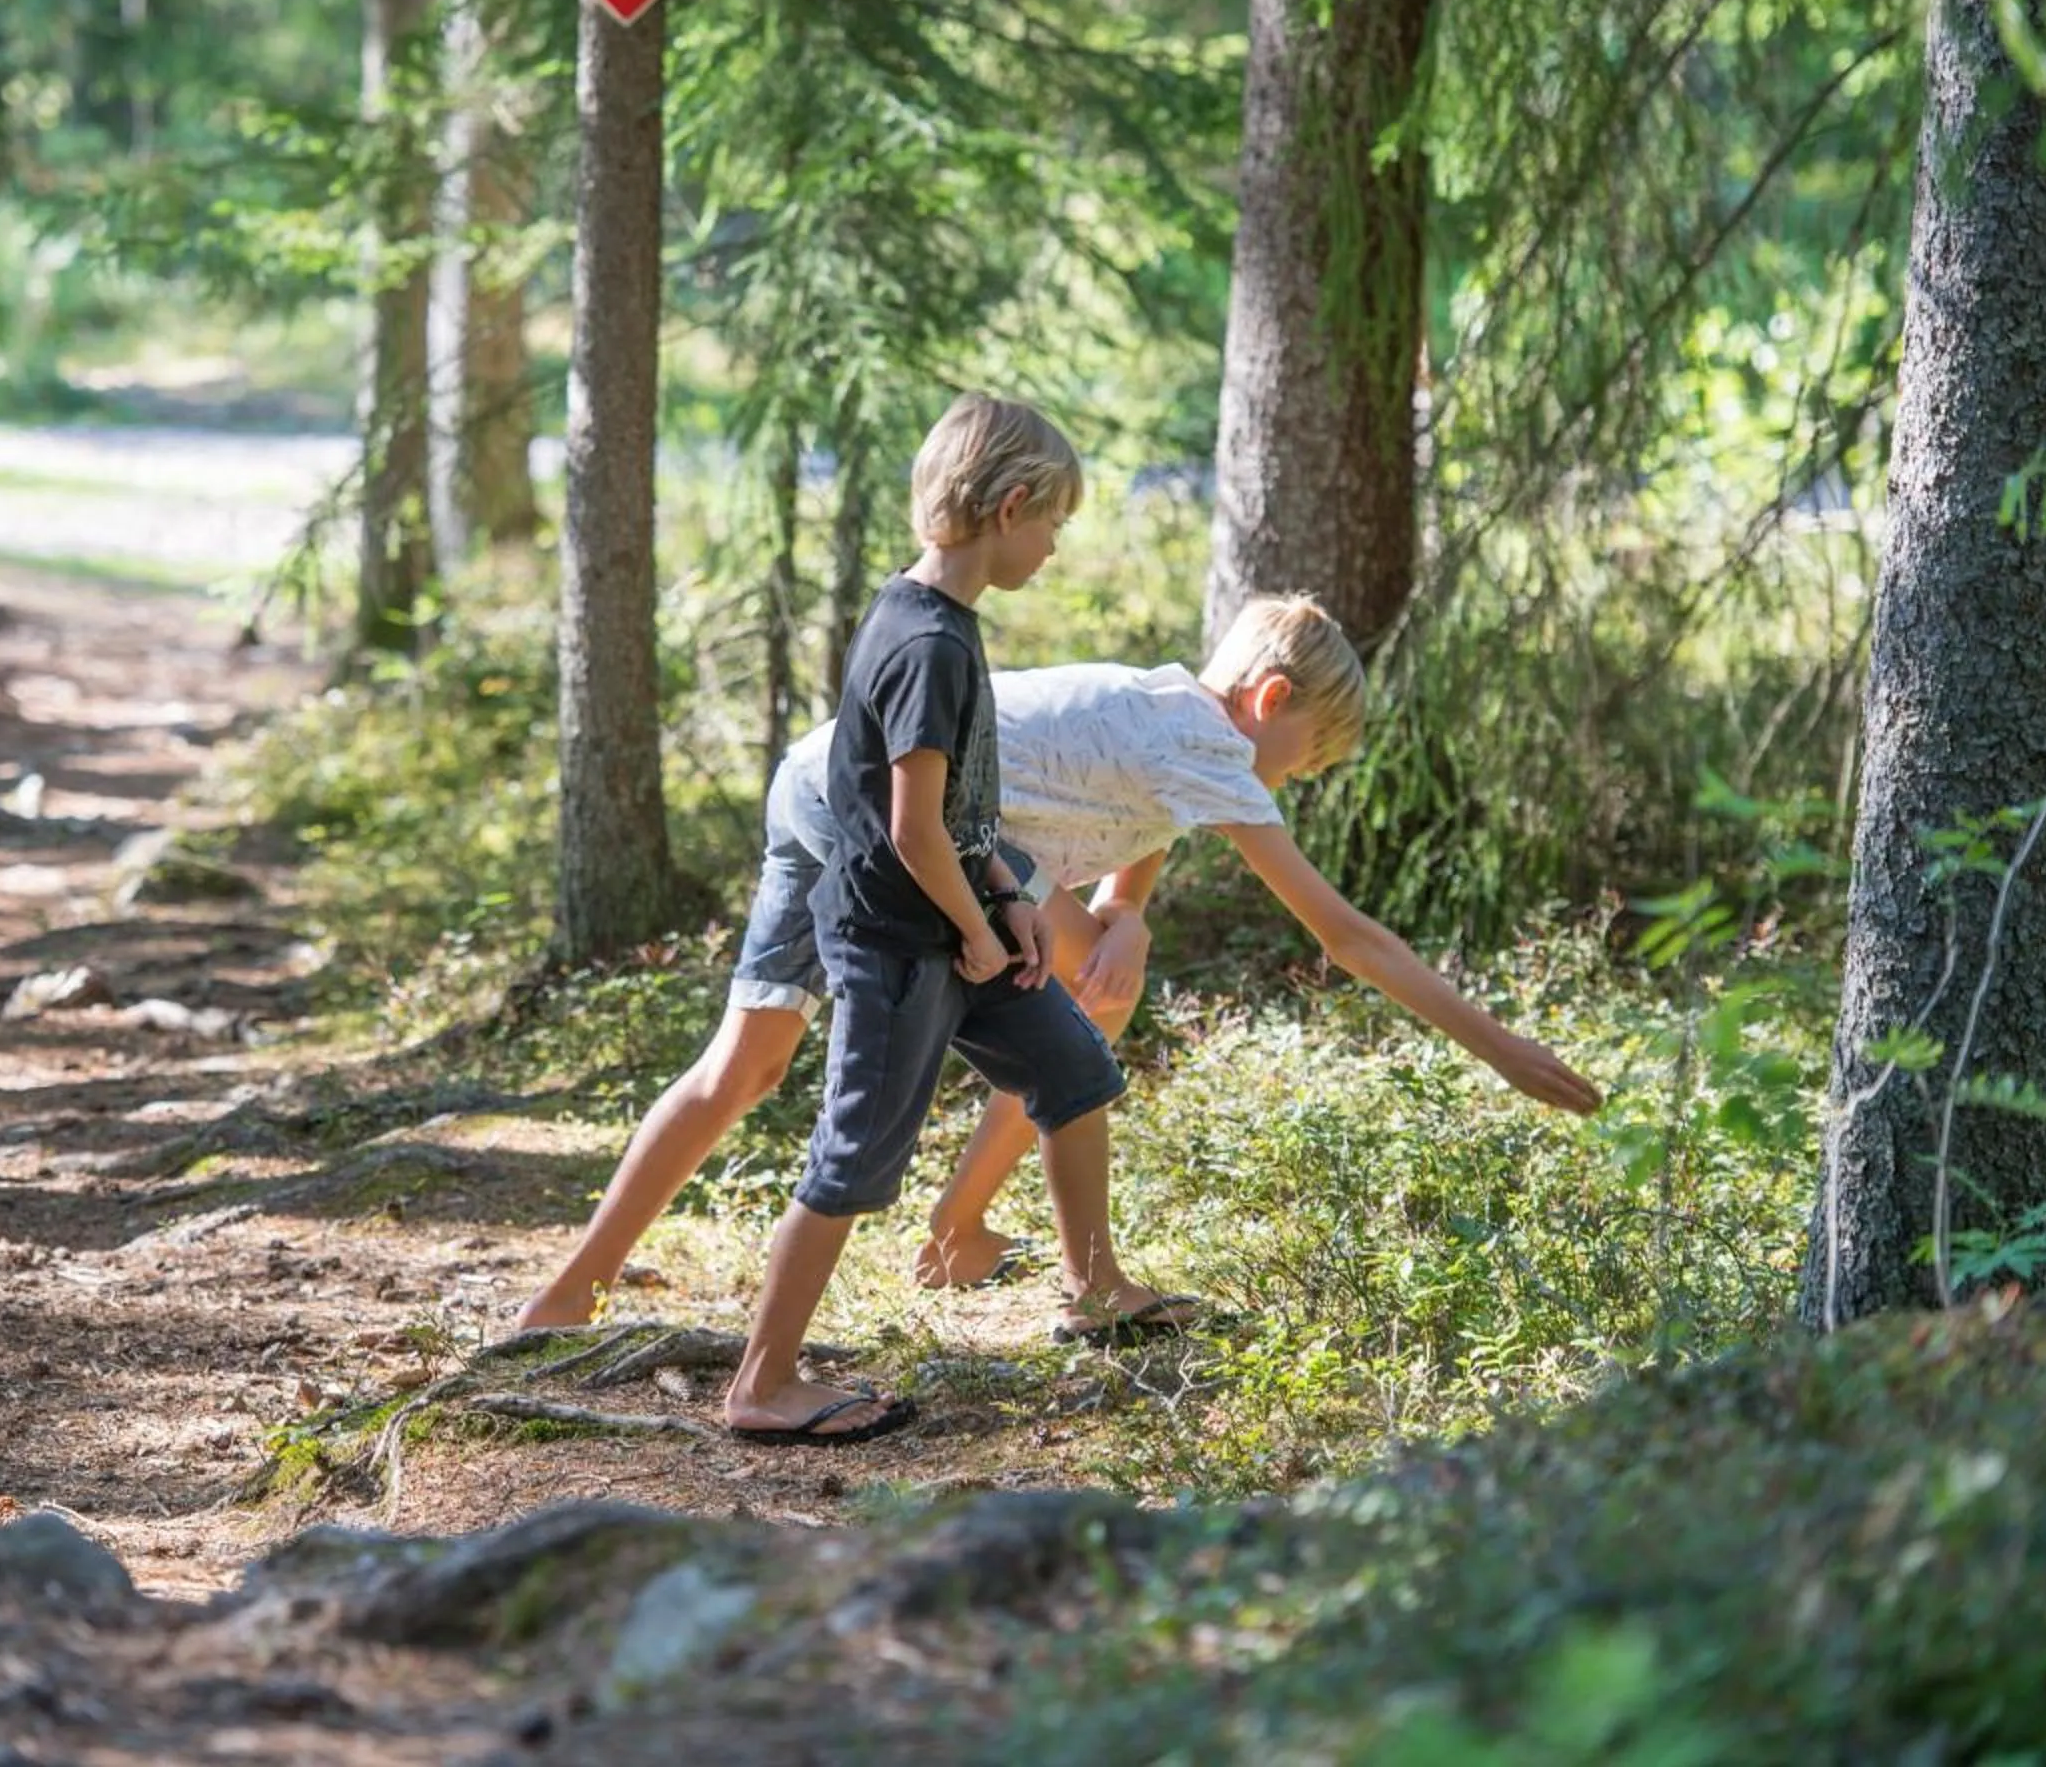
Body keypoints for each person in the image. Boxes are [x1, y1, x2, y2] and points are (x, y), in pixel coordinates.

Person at [521, 594, 1605, 1341]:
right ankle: (993, 1247)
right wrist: (1501, 1047)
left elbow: (1136, 812)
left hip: (823, 778)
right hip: (896, 823)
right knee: (1081, 1011)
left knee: (747, 1065)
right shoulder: (1209, 744)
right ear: (1271, 700)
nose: (1296, 779)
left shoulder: (1169, 707)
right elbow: (1346, 937)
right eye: (1309, 755)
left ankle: (570, 1294)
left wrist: (1125, 909)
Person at [722, 391, 1150, 1444]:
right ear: (1010, 507)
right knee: (853, 1158)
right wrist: (977, 929)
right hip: (897, 944)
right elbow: (910, 829)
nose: (1053, 546)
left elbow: (955, 815)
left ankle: (1097, 1289)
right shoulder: (926, 644)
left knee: (1074, 1069)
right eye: (1053, 523)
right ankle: (762, 1384)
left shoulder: (940, 621)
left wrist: (1006, 896)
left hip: (960, 925)